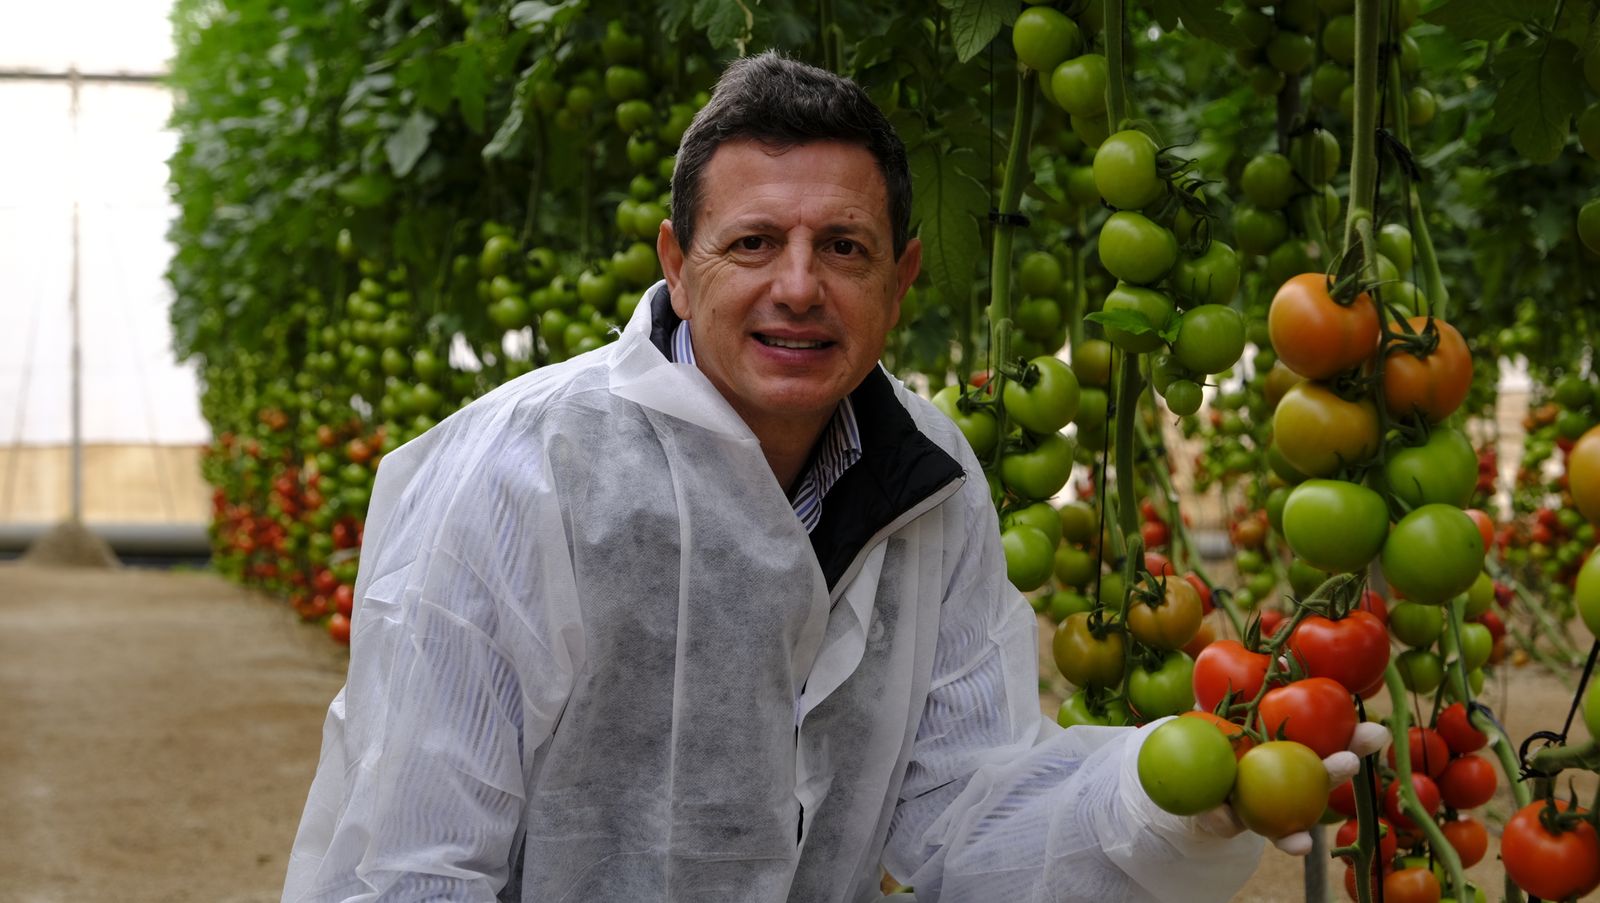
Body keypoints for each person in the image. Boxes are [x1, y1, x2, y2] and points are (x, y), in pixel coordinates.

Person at [283, 52, 1375, 902]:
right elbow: (409, 870)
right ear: (675, 261)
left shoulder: (930, 478)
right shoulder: (518, 475)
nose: (797, 288)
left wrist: (1169, 801)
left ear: (900, 280)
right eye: (752, 243)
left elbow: (961, 818)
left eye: (843, 249)